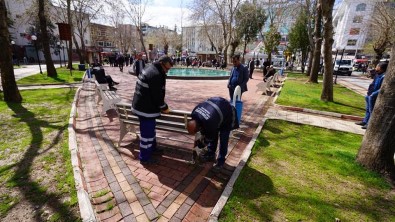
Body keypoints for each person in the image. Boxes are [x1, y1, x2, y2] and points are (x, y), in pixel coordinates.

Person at [131, 55, 174, 165]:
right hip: (146, 109)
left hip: (142, 106)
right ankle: (144, 158)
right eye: (167, 68)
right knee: (147, 135)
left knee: (151, 130)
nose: (167, 71)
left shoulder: (150, 68)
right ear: (161, 64)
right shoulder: (155, 74)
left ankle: (152, 148)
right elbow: (157, 97)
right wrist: (164, 107)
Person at [187, 97, 239, 170]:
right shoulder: (194, 113)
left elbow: (209, 137)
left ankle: (221, 161)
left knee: (223, 139)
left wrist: (200, 145)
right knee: (212, 132)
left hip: (227, 114)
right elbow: (206, 131)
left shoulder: (209, 122)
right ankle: (211, 154)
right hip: (216, 110)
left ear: (198, 127)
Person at [355, 62, 387, 129]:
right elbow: (373, 83)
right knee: (367, 109)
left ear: (381, 68)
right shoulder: (377, 75)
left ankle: (369, 124)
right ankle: (365, 121)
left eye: (377, 66)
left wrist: (373, 94)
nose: (376, 68)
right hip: (369, 95)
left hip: (373, 96)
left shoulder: (384, 77)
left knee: (371, 111)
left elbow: (382, 88)